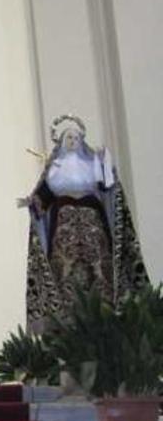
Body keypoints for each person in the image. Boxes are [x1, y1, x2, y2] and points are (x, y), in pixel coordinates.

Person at [22, 115, 148, 332]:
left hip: (93, 224)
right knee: (65, 277)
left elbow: (108, 188)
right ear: (61, 141)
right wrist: (32, 203)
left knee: (100, 275)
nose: (72, 140)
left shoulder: (93, 163)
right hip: (63, 227)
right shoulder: (55, 167)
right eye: (68, 137)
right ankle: (66, 327)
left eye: (76, 137)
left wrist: (105, 163)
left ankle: (108, 322)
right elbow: (45, 196)